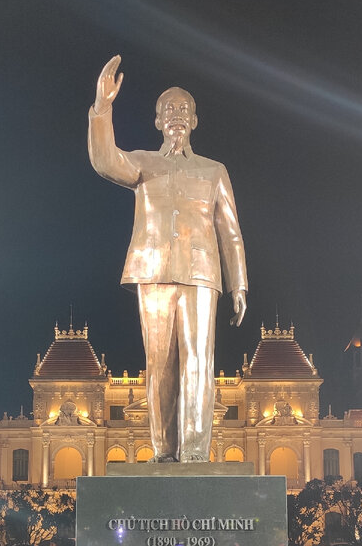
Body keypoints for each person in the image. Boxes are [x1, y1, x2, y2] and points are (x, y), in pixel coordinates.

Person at [88, 54, 248, 463]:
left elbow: (229, 231)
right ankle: (163, 452)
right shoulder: (142, 163)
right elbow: (105, 161)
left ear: (195, 120)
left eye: (184, 110)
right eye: (168, 110)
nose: (176, 115)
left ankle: (194, 454)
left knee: (199, 360)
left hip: (201, 274)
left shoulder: (214, 171)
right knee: (159, 363)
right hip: (153, 271)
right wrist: (103, 108)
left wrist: (239, 285)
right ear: (158, 122)